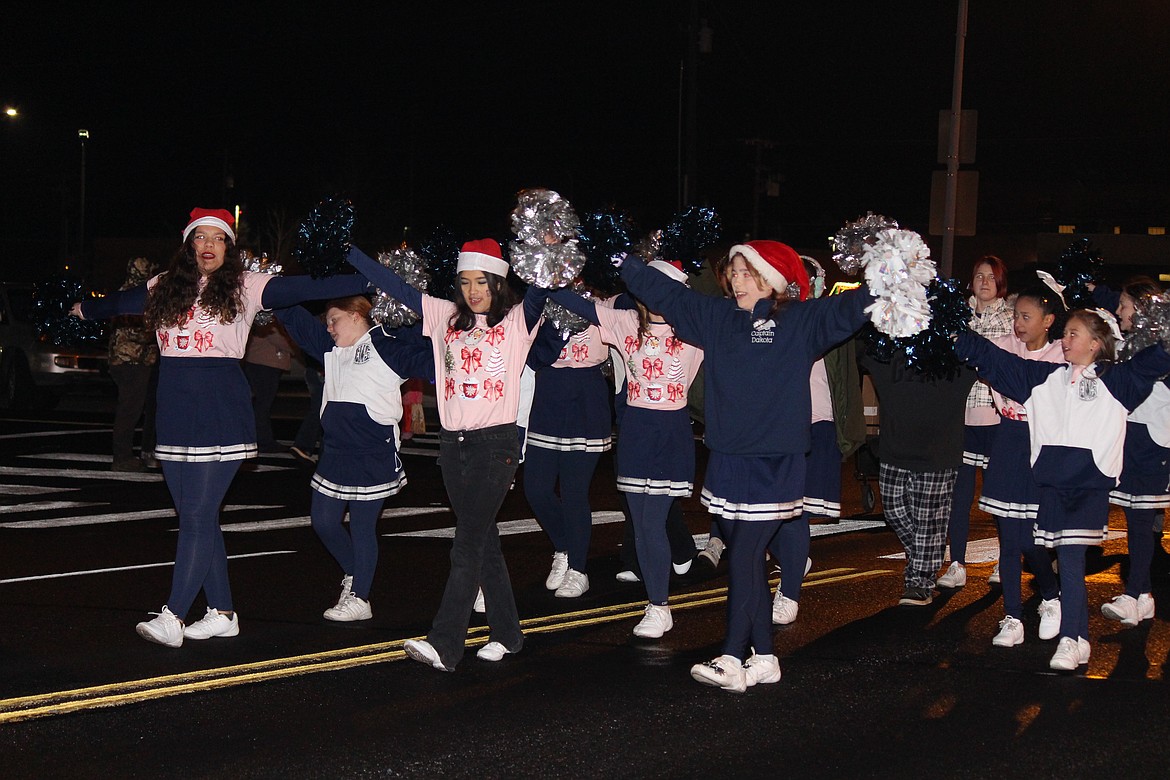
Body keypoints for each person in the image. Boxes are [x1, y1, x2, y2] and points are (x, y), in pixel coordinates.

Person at [73, 207, 371, 647]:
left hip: (221, 410)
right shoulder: (163, 288)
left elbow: (318, 285)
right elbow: (116, 304)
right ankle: (223, 611)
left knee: (195, 515)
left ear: (229, 247)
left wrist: (375, 275)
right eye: (201, 238)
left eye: (218, 238)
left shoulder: (248, 285)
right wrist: (77, 309)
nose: (209, 245)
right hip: (174, 412)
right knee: (198, 516)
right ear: (189, 244)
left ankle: (173, 615)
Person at [601, 241, 873, 692]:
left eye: (749, 273)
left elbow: (855, 305)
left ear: (772, 279)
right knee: (745, 561)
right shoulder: (719, 318)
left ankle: (731, 656)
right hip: (727, 461)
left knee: (745, 557)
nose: (739, 280)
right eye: (736, 272)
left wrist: (894, 273)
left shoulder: (800, 321)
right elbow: (668, 296)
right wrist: (618, 257)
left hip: (773, 464)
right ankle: (764, 658)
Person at [346, 238, 547, 671]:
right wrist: (350, 250)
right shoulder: (445, 316)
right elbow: (395, 287)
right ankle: (508, 634)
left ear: (499, 282)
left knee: (467, 543)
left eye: (483, 281)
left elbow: (543, 286)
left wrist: (547, 249)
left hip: (496, 444)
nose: (474, 290)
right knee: (483, 540)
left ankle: (446, 642)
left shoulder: (516, 320)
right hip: (452, 445)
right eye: (465, 281)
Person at [955, 309, 1170, 670]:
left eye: (1073, 334)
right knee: (1058, 557)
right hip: (1051, 485)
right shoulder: (1045, 378)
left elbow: (1158, 356)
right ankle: (1072, 633)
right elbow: (996, 360)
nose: (1064, 341)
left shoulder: (1118, 380)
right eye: (1065, 334)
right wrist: (953, 334)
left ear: (1096, 344)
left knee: (1070, 560)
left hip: (1088, 486)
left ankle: (1075, 638)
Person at [552, 260, 704, 638]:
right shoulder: (623, 324)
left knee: (652, 523)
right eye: (648, 288)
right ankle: (658, 604)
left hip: (671, 432)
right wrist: (547, 270)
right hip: (635, 430)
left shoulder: (697, 329)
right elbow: (579, 304)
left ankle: (658, 606)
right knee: (641, 524)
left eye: (662, 289)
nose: (655, 298)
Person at [275, 295, 434, 621]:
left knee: (362, 528)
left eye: (335, 319)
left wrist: (409, 312)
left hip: (371, 452)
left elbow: (431, 359)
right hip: (334, 451)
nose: (329, 327)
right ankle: (355, 572)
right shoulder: (331, 349)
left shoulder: (387, 346)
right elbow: (291, 313)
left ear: (357, 315)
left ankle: (361, 598)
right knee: (323, 521)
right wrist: (268, 289)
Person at [977, 285, 1065, 648]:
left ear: (1048, 321)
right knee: (1008, 540)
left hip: (1041, 446)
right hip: (1007, 441)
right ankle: (1012, 616)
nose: (1018, 324)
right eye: (1015, 316)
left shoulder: (1060, 353)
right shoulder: (1001, 347)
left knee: (1031, 540)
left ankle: (1051, 593)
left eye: (1026, 317)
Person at [860, 346, 976, 608]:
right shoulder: (889, 351)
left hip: (938, 454)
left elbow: (983, 356)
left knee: (928, 521)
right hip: (894, 451)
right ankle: (927, 552)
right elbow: (860, 348)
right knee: (893, 512)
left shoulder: (955, 355)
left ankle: (920, 582)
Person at [522, 292, 616, 599]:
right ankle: (563, 546)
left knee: (575, 493)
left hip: (586, 399)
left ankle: (578, 569)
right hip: (548, 397)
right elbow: (534, 357)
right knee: (536, 489)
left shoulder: (605, 307)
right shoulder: (541, 308)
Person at [1093, 277, 1167, 627]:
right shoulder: (1135, 343)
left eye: (1124, 306)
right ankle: (1143, 595)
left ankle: (1135, 592)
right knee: (1137, 522)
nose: (1119, 312)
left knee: (1141, 521)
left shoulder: (1160, 348)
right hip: (1134, 439)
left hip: (1156, 442)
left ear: (1141, 310)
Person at [939, 256, 1014, 589]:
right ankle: (957, 563)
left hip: (998, 419)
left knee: (1000, 494)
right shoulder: (957, 316)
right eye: (979, 275)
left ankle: (1004, 561)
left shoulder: (1013, 318)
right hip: (960, 417)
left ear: (1001, 282)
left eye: (991, 276)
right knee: (960, 495)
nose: (984, 281)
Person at [107, 256, 159, 472]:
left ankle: (129, 454)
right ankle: (122, 458)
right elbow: (132, 329)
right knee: (130, 410)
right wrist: (158, 333)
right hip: (131, 361)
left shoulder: (127, 293)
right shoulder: (134, 296)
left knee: (133, 408)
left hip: (131, 360)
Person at [242, 319, 294, 453]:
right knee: (262, 405)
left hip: (262, 363)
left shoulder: (266, 317)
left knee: (261, 404)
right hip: (265, 364)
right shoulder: (268, 318)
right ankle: (263, 440)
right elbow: (277, 338)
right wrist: (296, 346)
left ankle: (260, 438)